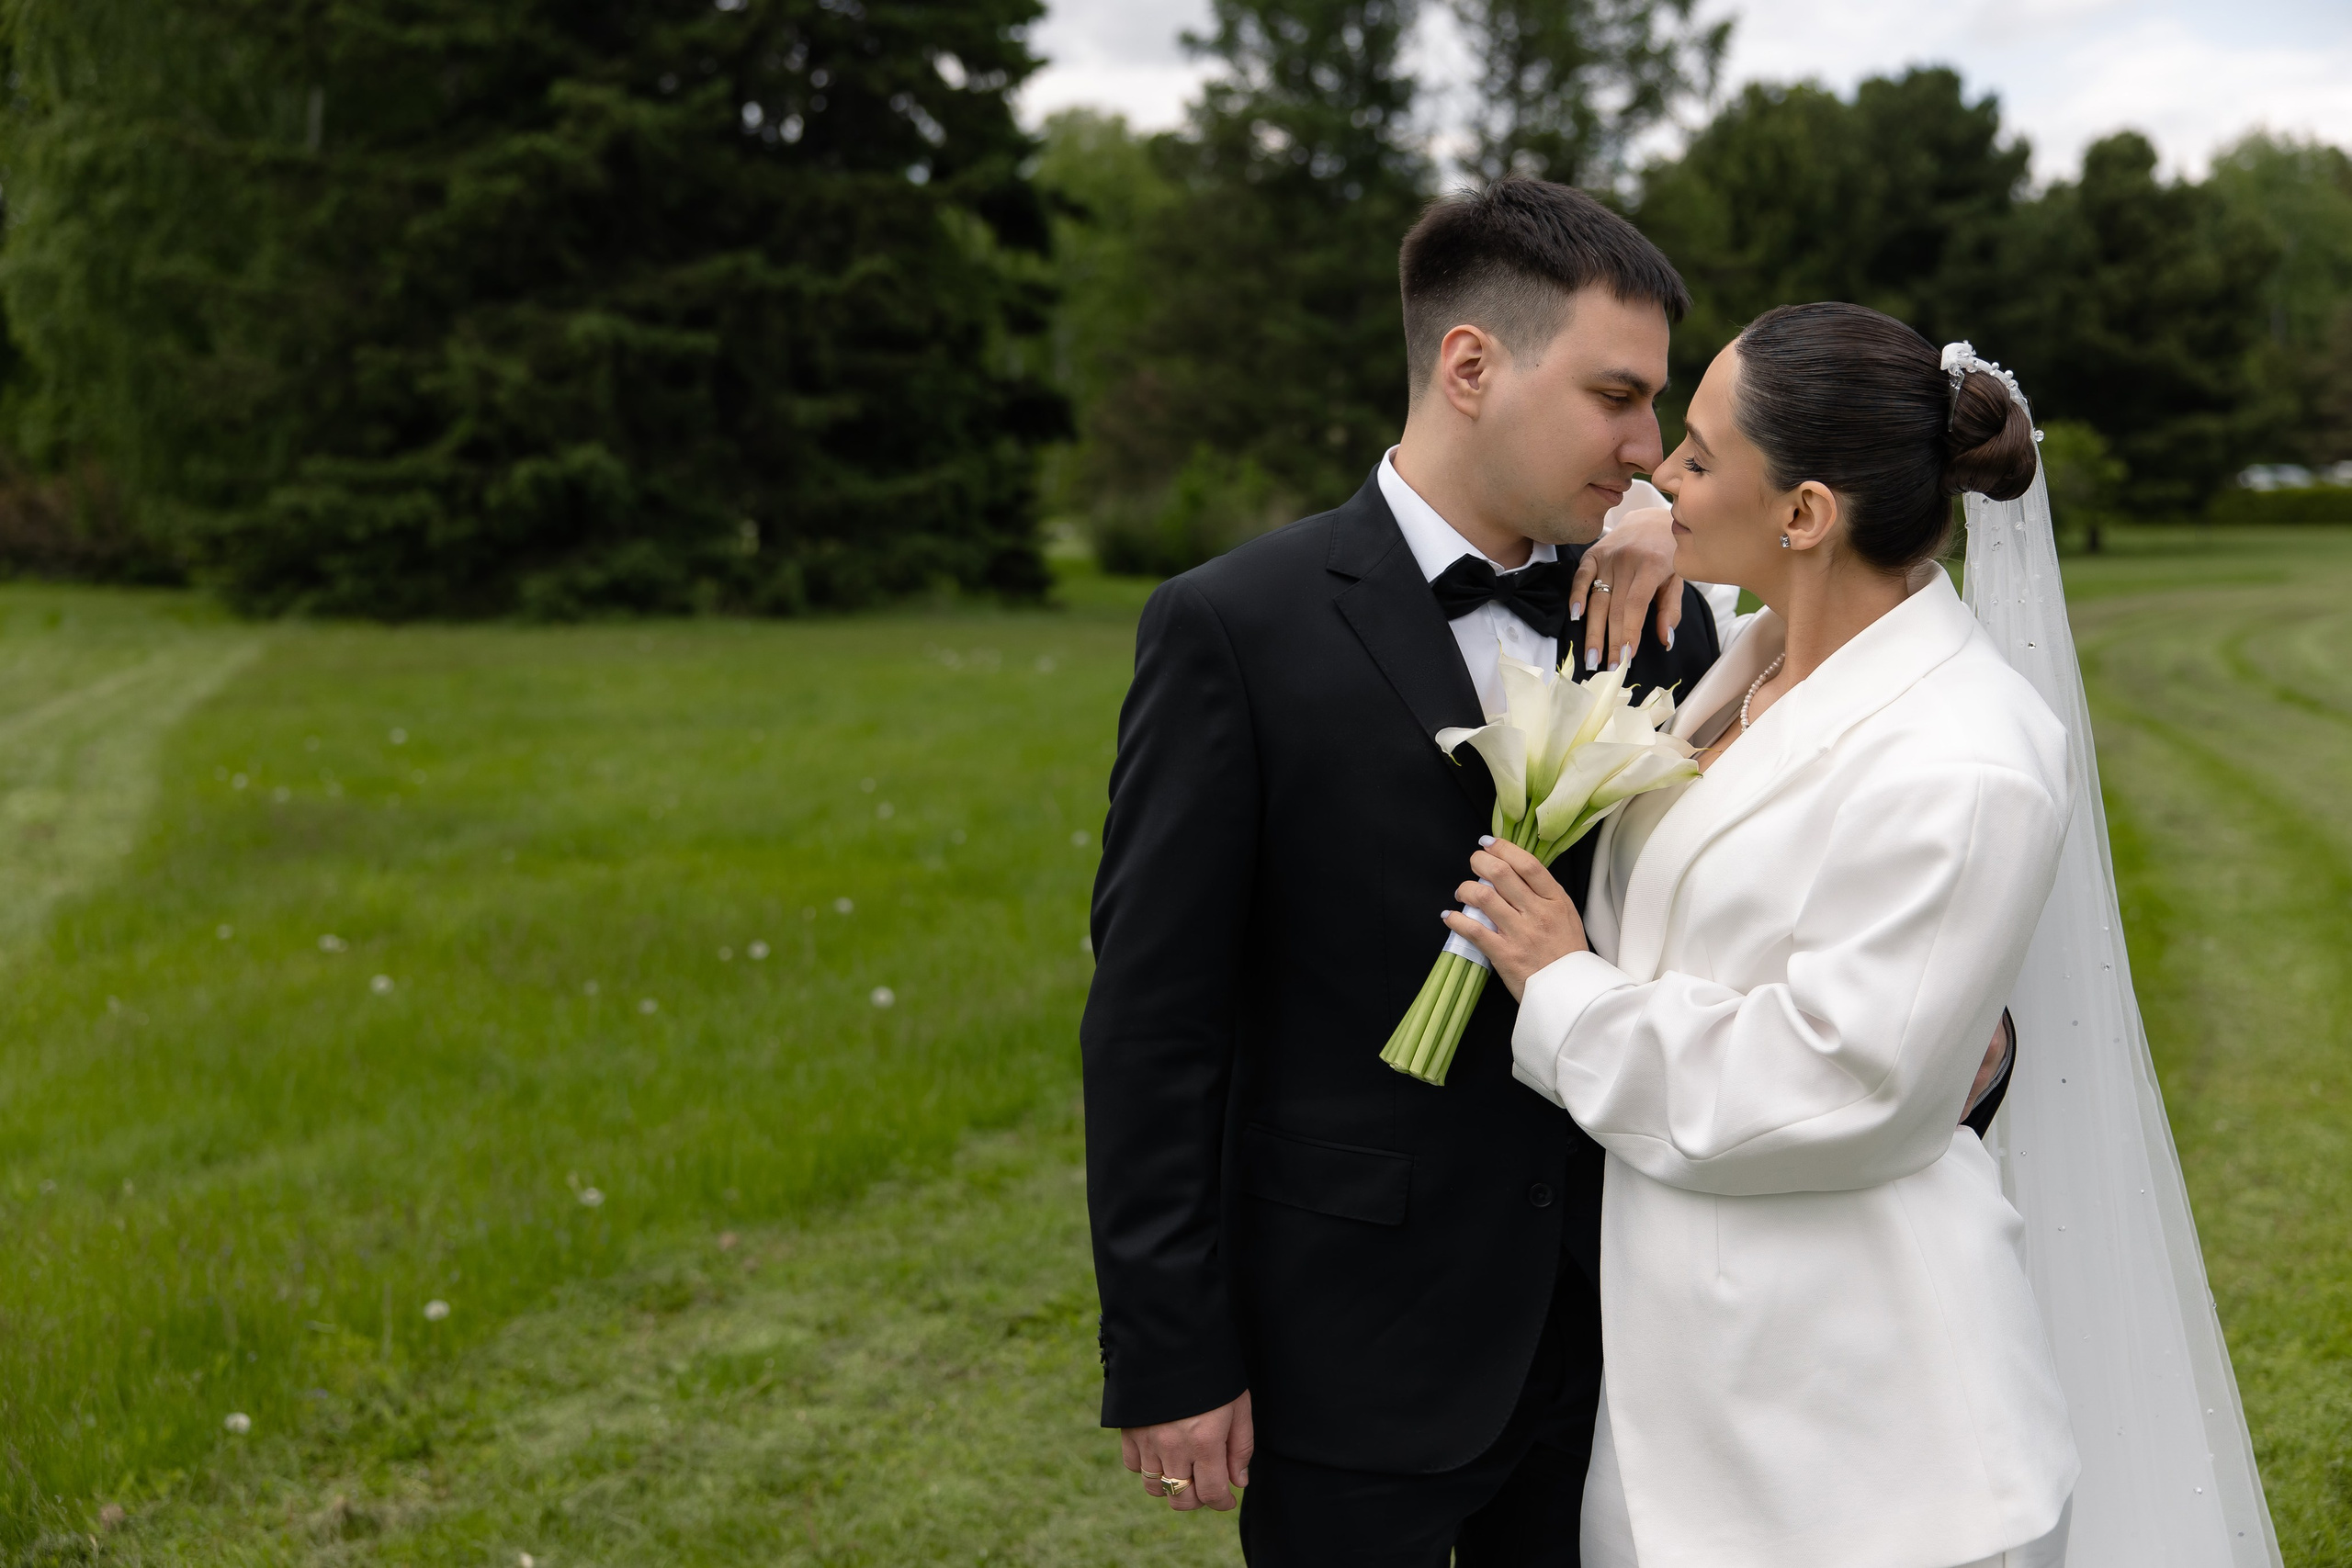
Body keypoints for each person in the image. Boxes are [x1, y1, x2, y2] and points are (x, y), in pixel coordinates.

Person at [1080, 179, 1717, 1563]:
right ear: (1471, 364)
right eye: (1617, 398)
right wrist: (1170, 1351)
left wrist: (1680, 524)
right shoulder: (1232, 627)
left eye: (1657, 409)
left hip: (1620, 1327)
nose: (1646, 446)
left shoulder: (1661, 626)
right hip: (1347, 1335)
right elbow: (1153, 1021)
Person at [1450, 302, 2079, 1566]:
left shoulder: (1965, 757)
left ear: (1803, 515)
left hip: (1860, 1431)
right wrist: (1656, 534)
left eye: (1691, 455)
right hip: (1694, 1386)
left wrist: (1564, 987)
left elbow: (1838, 1081)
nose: (1651, 478)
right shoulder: (1753, 658)